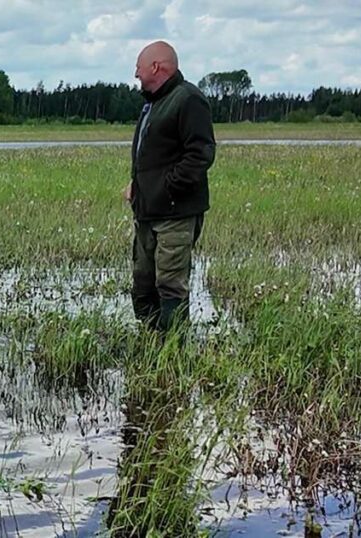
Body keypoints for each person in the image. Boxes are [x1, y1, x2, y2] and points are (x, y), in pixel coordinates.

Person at [124, 41, 216, 333]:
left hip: (175, 214)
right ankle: (150, 341)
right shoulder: (153, 103)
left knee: (170, 285)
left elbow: (200, 155)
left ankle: (172, 350)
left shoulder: (188, 99)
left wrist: (165, 188)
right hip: (148, 212)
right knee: (143, 283)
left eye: (139, 67)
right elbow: (154, 156)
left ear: (156, 67)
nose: (135, 74)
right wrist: (138, 185)